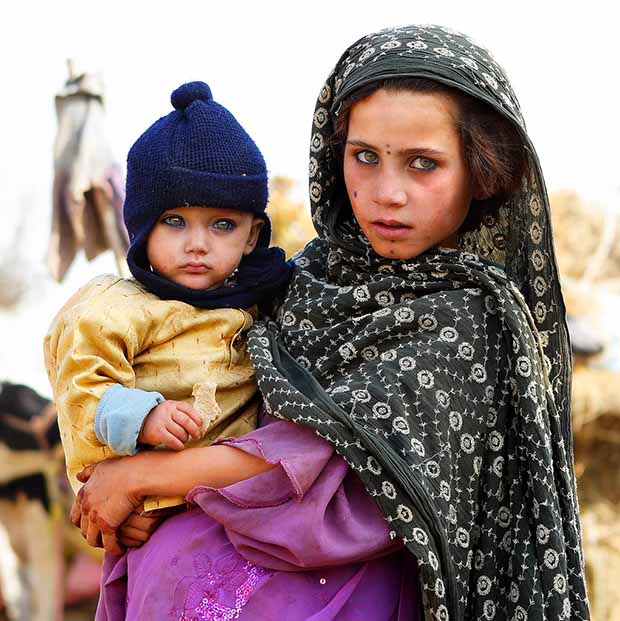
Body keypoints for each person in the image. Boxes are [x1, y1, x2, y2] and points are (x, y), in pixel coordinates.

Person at [70, 26, 590, 620]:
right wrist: (130, 490)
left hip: (348, 594)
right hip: (197, 559)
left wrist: (145, 476)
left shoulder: (470, 316)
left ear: (481, 169)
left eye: (424, 164)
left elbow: (321, 449)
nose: (386, 192)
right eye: (364, 157)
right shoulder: (305, 278)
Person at [44, 81, 293, 516]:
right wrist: (141, 418)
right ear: (141, 226)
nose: (197, 244)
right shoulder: (112, 309)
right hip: (148, 509)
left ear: (252, 235)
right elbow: (81, 395)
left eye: (222, 225)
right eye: (175, 221)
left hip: (243, 507)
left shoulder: (267, 304)